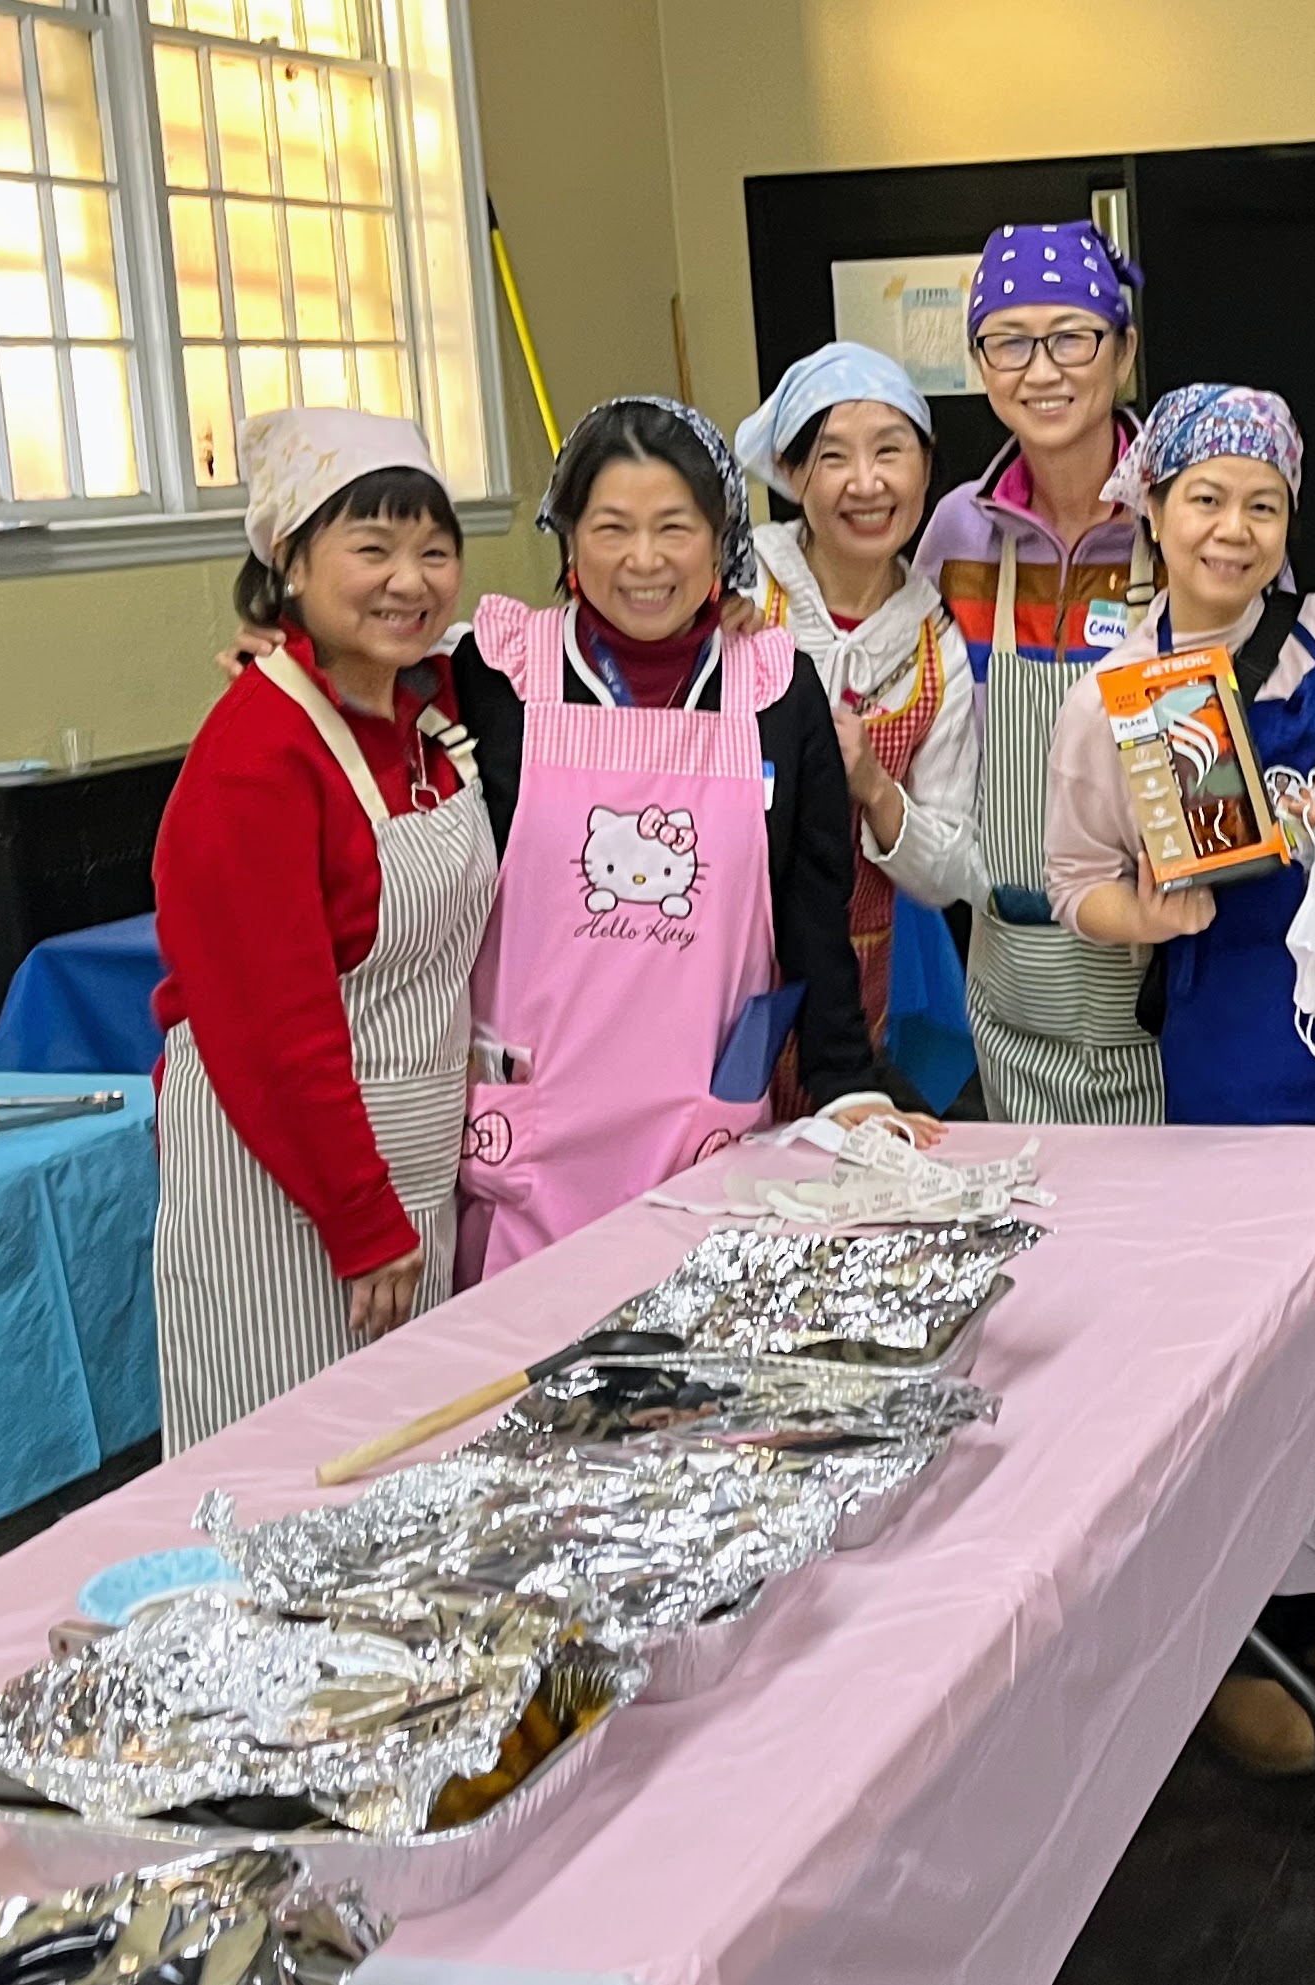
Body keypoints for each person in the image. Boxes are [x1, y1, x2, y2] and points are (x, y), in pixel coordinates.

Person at [1042, 383, 1315, 1774]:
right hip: (1236, 1059)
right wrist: (1148, 911)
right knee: (1257, 1355)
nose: (1233, 530)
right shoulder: (1116, 697)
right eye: (1206, 501)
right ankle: (1237, 1631)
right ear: (1154, 512)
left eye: (1263, 506)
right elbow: (1072, 882)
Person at [446, 397, 930, 1277]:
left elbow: (812, 917)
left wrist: (847, 1085)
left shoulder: (777, 691)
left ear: (722, 540)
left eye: (675, 526)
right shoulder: (492, 677)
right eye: (611, 527)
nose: (644, 560)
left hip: (703, 1141)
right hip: (530, 1145)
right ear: (568, 538)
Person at [151, 410, 496, 1450]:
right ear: (290, 562)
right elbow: (270, 1028)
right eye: (372, 549)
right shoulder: (257, 752)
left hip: (407, 1169)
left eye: (434, 551)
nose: (409, 581)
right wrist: (360, 1219)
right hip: (286, 1188)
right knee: (290, 1470)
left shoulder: (427, 713)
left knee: (404, 1460)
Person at [909, 222, 1163, 1126]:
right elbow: (884, 663)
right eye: (1009, 342)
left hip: (1166, 969)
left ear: (1123, 351)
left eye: (1071, 337)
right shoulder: (955, 533)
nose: (1042, 370)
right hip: (1011, 975)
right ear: (981, 365)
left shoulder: (1188, 512)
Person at [732, 343, 984, 1045]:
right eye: (833, 456)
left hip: (856, 978)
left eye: (890, 451)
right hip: (720, 958)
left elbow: (951, 870)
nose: (866, 483)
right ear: (790, 473)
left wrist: (874, 785)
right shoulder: (739, 589)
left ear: (926, 465)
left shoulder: (936, 643)